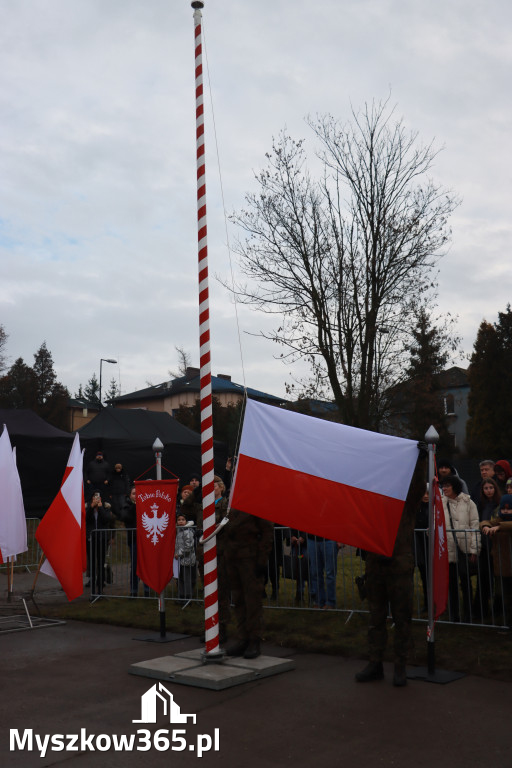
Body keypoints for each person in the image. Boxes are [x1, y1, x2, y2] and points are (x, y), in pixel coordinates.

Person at [356, 451, 427, 687]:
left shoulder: (406, 504)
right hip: (375, 566)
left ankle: (400, 666)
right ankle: (375, 663)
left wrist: (420, 461)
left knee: (402, 618)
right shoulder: (371, 504)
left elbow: (418, 487)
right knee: (375, 619)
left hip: (398, 567)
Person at [223, 501, 274, 660]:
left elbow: (267, 532)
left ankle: (254, 640)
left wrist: (262, 560)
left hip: (250, 559)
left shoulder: (255, 503)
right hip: (233, 557)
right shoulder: (233, 504)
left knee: (252, 601)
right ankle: (242, 638)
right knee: (238, 600)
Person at [441, 475, 481, 623]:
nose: (444, 489)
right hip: (448, 551)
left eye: (447, 486)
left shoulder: (469, 503)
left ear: (455, 487)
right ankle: (454, 615)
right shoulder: (439, 504)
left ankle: (468, 613)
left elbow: (474, 526)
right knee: (451, 584)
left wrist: (474, 550)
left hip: (464, 550)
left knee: (466, 584)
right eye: (443, 486)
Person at [481, 493, 512, 629]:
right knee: (506, 598)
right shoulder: (498, 519)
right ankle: (507, 623)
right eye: (504, 509)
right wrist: (486, 527)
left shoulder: (501, 524)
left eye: (509, 509)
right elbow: (483, 522)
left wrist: (499, 527)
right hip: (502, 568)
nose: (506, 511)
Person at [473, 477, 501, 620]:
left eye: (491, 488)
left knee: (499, 580)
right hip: (484, 547)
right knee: (483, 578)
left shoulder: (501, 504)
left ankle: (499, 609)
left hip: (498, 548)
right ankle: (481, 610)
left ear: (495, 489)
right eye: (486, 488)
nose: (489, 490)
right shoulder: (480, 504)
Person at [119, 486, 150, 598]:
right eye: (133, 493)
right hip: (134, 539)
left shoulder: (146, 504)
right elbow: (125, 517)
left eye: (138, 493)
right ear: (130, 495)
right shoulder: (126, 505)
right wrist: (135, 506)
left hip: (146, 540)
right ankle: (134, 590)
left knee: (146, 565)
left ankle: (147, 590)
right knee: (135, 565)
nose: (136, 496)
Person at [85, 491, 114, 599]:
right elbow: (86, 518)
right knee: (92, 564)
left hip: (102, 539)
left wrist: (100, 507)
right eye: (94, 497)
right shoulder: (88, 507)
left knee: (101, 564)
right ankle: (92, 592)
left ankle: (100, 591)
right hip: (90, 539)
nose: (96, 499)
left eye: (98, 497)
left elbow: (107, 519)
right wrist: (92, 507)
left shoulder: (106, 507)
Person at [306, 532, 341, 609]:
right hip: (312, 539)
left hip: (330, 539)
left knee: (330, 573)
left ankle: (330, 602)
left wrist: (340, 539)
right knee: (315, 572)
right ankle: (319, 601)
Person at [174, 513, 196, 601]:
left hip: (187, 560)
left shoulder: (188, 532)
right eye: (179, 520)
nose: (181, 522)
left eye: (183, 520)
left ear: (186, 521)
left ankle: (188, 596)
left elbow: (189, 546)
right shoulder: (179, 531)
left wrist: (178, 554)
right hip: (180, 560)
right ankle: (181, 595)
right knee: (180, 578)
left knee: (187, 579)